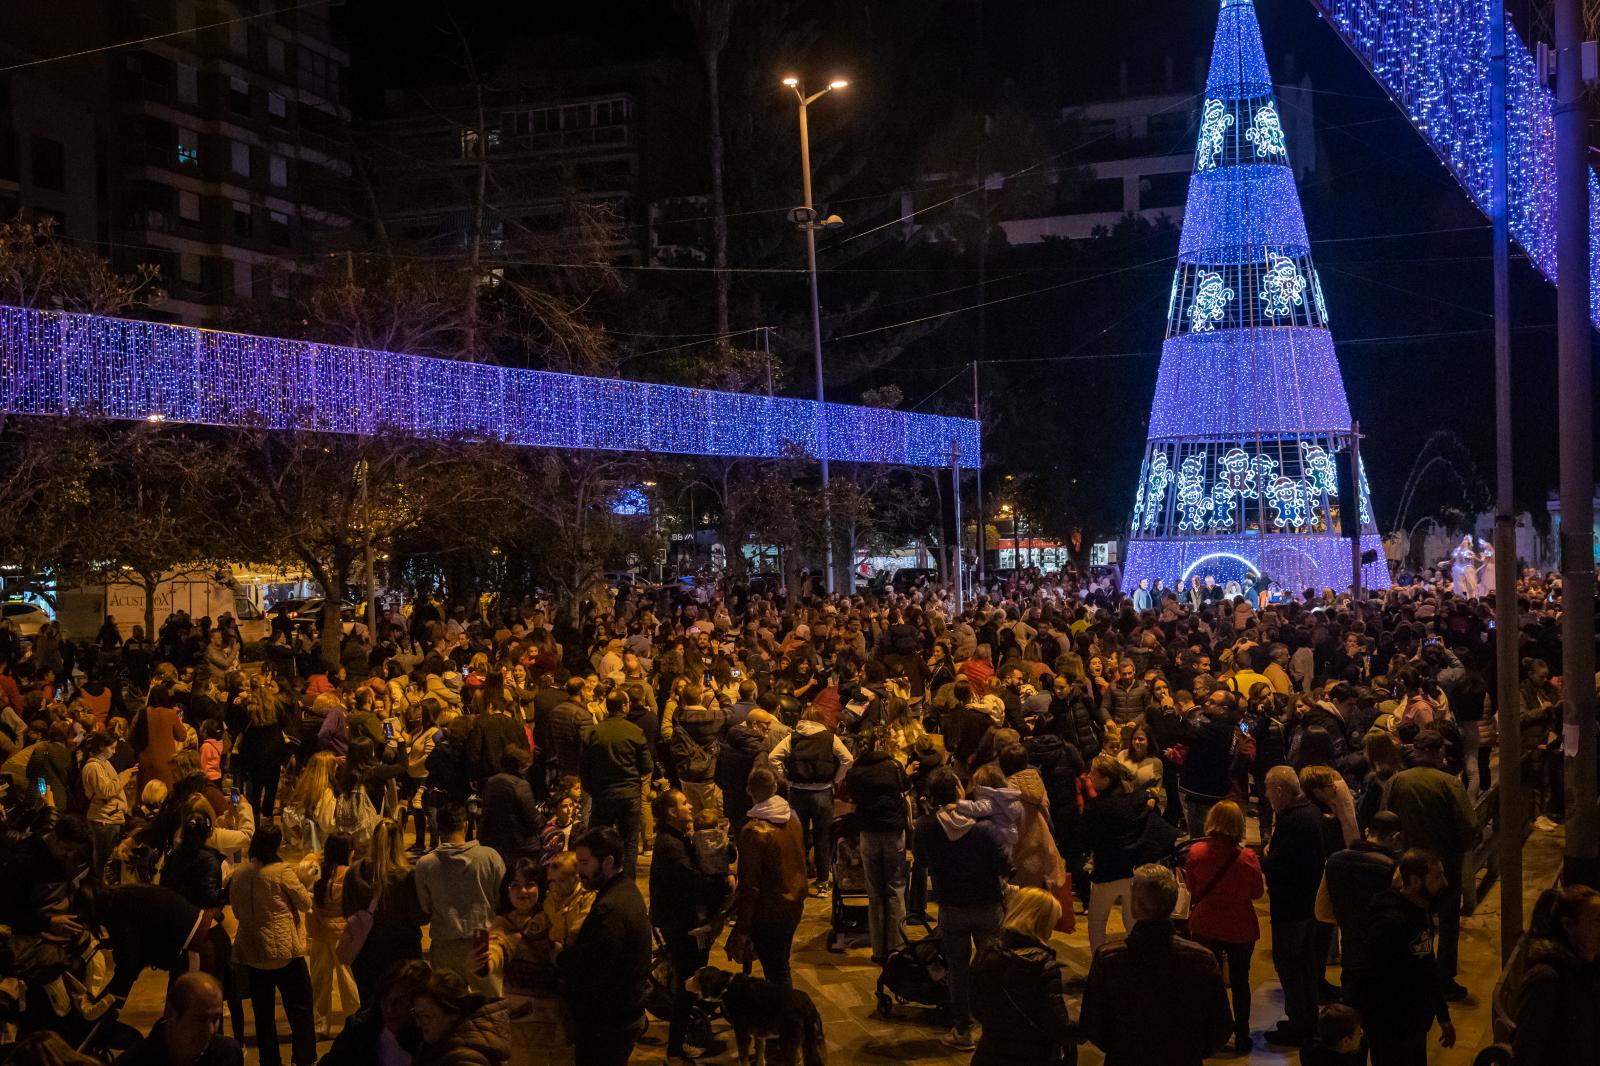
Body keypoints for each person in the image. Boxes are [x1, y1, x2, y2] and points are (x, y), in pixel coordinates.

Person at [1081, 863, 1231, 1066]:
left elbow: (1093, 1024)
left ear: (1135, 905)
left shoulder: (1109, 959)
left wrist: (1123, 1047)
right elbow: (1219, 1027)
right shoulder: (1202, 959)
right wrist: (1189, 1051)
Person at [913, 766, 1007, 1052]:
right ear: (957, 790)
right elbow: (1002, 863)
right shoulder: (982, 825)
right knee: (994, 964)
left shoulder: (926, 827)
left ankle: (963, 1028)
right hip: (987, 902)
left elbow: (921, 860)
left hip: (951, 904)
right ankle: (996, 1027)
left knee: (957, 969)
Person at [1345, 850, 1456, 1065]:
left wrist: (1442, 1015)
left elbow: (1427, 964)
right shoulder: (1390, 922)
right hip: (1390, 1028)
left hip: (1414, 1024)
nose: (1445, 883)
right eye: (1437, 877)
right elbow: (1364, 974)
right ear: (1415, 881)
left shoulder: (1419, 910)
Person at [1382, 756, 1477, 1000]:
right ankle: (1444, 980)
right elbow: (1469, 825)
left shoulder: (1397, 781)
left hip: (1408, 861)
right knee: (1448, 923)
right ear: (1438, 753)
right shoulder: (1449, 783)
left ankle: (1411, 975)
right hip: (1443, 863)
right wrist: (1461, 849)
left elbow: (1385, 815)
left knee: (1409, 918)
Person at [649, 789, 730, 1065]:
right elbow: (692, 882)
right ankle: (675, 1051)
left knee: (690, 980)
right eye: (684, 803)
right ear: (671, 812)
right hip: (682, 925)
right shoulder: (670, 846)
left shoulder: (677, 839)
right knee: (687, 984)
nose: (689, 806)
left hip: (684, 920)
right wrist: (723, 884)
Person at [558, 826, 651, 1066]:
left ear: (608, 861)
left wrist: (562, 955)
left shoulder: (609, 909)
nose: (579, 871)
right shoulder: (624, 890)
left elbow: (592, 967)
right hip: (621, 1017)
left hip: (608, 1024)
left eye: (585, 863)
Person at [227, 826, 317, 1066]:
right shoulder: (281, 872)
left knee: (263, 1015)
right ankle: (304, 1058)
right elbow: (304, 902)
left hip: (254, 951)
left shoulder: (240, 873)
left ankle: (270, 1060)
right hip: (285, 951)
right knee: (301, 1009)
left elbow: (235, 909)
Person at [1182, 800, 1264, 1055]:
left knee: (1209, 981)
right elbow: (1257, 892)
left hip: (1206, 924)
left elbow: (1193, 890)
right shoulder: (1247, 858)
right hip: (1240, 926)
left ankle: (1211, 1033)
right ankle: (1242, 1035)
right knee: (1241, 983)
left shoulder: (1195, 852)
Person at [969, 887, 1078, 1066]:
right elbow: (1057, 1027)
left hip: (989, 1055)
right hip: (1031, 1057)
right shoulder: (1043, 966)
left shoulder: (986, 953)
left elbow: (976, 1007)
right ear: (1042, 923)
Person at [1261, 764, 1329, 1048]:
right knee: (1305, 966)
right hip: (1308, 904)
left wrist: (1264, 857)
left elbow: (1279, 866)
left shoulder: (1292, 822)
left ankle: (1300, 1024)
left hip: (1291, 908)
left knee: (1290, 965)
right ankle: (1306, 1019)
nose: (1267, 798)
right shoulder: (1312, 812)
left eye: (1268, 791)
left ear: (1279, 790)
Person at [415, 802, 506, 997]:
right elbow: (502, 898)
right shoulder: (490, 857)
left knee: (448, 1004)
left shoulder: (426, 864)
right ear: (465, 825)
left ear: (439, 829)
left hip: (445, 940)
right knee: (490, 1002)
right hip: (482, 939)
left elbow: (424, 905)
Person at [729, 766, 807, 989]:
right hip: (793, 904)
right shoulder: (792, 817)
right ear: (774, 788)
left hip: (770, 910)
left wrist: (743, 926)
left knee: (776, 970)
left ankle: (784, 1015)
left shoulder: (754, 831)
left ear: (749, 791)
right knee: (780, 963)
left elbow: (750, 884)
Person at [488, 859, 571, 1065]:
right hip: (524, 1024)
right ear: (506, 891)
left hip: (560, 1019)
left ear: (541, 887)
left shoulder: (554, 916)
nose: (522, 891)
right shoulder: (503, 924)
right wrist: (486, 957)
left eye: (529, 884)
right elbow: (493, 948)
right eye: (514, 885)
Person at [1510, 884, 1600, 1065]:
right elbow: (1526, 1053)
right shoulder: (1546, 978)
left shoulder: (1588, 967)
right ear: (1568, 925)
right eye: (1598, 921)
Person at [843, 729, 911, 961]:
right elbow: (906, 787)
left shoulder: (856, 771)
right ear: (880, 743)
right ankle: (898, 947)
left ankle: (879, 950)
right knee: (896, 888)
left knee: (874, 892)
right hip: (893, 832)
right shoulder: (893, 767)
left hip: (868, 832)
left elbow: (850, 795)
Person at [769, 706, 853, 894]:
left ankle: (798, 878)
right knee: (822, 838)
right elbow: (848, 759)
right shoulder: (830, 738)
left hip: (798, 792)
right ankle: (822, 881)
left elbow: (773, 757)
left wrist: (785, 777)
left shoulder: (793, 737)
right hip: (823, 792)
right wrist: (835, 779)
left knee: (798, 837)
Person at [1316, 810, 1403, 985]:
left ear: (1366, 832)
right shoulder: (1394, 870)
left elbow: (1322, 912)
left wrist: (1348, 921)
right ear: (1396, 837)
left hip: (1350, 953)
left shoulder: (1333, 861)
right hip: (1384, 955)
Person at [579, 689, 652, 882]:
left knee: (599, 841)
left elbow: (584, 767)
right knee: (629, 843)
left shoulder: (593, 732)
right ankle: (626, 882)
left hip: (602, 795)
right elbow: (646, 766)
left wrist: (592, 789)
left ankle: (600, 878)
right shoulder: (635, 732)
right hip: (629, 795)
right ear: (625, 706)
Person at [1082, 755, 1150, 954]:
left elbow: (1088, 838)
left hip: (1108, 870)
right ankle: (1135, 960)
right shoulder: (1136, 797)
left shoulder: (1097, 807)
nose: (1089, 776)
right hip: (1135, 868)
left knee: (1097, 919)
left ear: (1106, 780)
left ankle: (1099, 962)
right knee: (1132, 919)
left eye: (1093, 773)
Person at [113, 972, 243, 1066]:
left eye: (215, 1019)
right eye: (199, 1019)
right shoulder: (135, 1061)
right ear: (171, 1014)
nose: (210, 1030)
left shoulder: (228, 1054)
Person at [319, 960, 429, 1066]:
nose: (390, 1009)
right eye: (386, 999)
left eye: (400, 1002)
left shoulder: (430, 1037)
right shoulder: (361, 1030)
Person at [306, 834, 359, 1039]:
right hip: (342, 934)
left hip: (320, 933)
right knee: (349, 983)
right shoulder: (349, 875)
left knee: (319, 981)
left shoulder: (316, 872)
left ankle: (320, 1026)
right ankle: (354, 1024)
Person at [410, 968, 511, 1066]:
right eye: (417, 1016)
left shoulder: (466, 1059)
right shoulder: (441, 1048)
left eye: (426, 1017)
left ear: (453, 1013)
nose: (419, 1024)